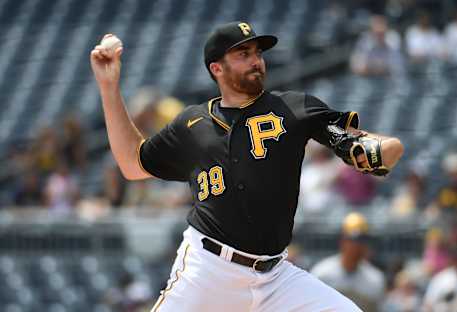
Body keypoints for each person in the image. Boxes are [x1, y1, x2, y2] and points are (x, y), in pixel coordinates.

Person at [91, 21, 404, 311]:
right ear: (217, 68)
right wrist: (109, 88)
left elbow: (368, 144)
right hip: (208, 270)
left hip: (276, 277)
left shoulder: (294, 107)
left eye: (257, 53)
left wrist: (375, 148)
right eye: (243, 54)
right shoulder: (191, 123)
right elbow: (133, 164)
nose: (256, 60)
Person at [310, 213, 386, 311]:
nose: (358, 245)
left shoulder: (375, 279)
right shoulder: (322, 274)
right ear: (343, 241)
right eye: (354, 240)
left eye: (363, 240)